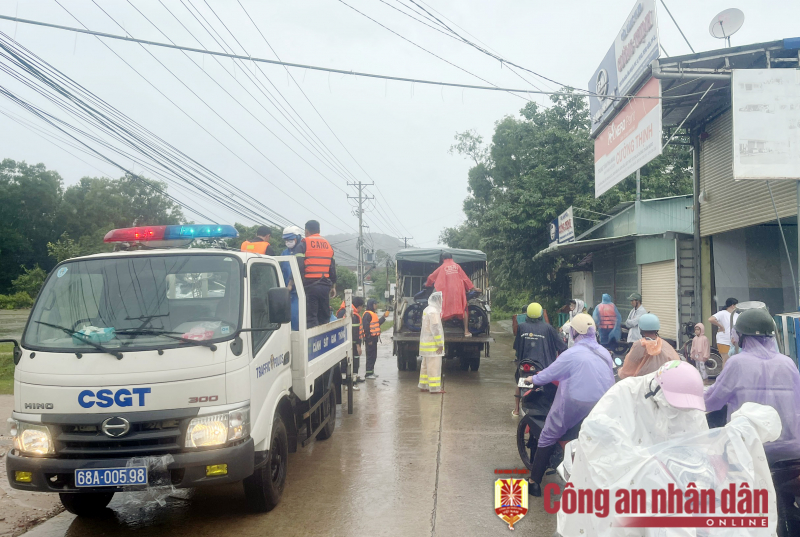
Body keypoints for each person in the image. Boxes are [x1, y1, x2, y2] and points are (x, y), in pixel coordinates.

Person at [557, 362, 784, 536]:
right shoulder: (625, 393)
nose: (679, 411)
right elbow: (596, 434)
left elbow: (697, 446)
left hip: (665, 486)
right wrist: (637, 463)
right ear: (656, 389)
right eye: (675, 405)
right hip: (624, 482)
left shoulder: (689, 409)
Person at [522, 313, 614, 497]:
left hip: (576, 402)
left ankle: (534, 482)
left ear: (573, 332)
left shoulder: (571, 354)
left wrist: (532, 378)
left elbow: (548, 375)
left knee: (548, 434)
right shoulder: (604, 352)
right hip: (604, 402)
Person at [704, 308, 800, 462]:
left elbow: (711, 401)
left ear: (741, 336)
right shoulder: (788, 363)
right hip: (791, 451)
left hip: (749, 451)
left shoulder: (736, 363)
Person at [513, 302, 566, 417]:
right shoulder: (548, 328)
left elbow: (516, 346)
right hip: (543, 364)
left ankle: (516, 410)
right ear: (541, 314)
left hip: (524, 363)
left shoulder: (521, 327)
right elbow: (561, 346)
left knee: (520, 381)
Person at [424, 252, 482, 337]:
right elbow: (465, 278)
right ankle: (466, 331)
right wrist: (474, 288)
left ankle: (440, 332)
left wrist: (427, 284)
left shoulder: (442, 267)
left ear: (443, 259)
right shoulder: (457, 266)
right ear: (452, 258)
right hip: (458, 292)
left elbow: (431, 277)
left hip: (447, 293)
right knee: (464, 309)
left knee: (442, 309)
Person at [295, 220, 337, 328]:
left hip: (310, 285)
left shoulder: (304, 243)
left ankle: (312, 343)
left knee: (311, 316)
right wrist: (333, 286)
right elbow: (332, 268)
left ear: (306, 231)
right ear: (319, 230)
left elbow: (298, 266)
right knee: (324, 316)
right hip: (325, 286)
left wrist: (297, 284)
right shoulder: (328, 245)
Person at [617, 313, 680, 379]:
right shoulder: (665, 344)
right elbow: (676, 363)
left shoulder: (639, 345)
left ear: (641, 329)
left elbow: (627, 370)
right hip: (664, 382)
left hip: (643, 385)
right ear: (657, 328)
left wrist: (619, 371)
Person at [418, 291, 445, 394]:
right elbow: (435, 328)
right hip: (433, 345)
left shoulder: (427, 309)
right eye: (441, 299)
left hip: (425, 343)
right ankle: (434, 388)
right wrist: (440, 344)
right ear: (437, 300)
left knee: (425, 366)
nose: (442, 301)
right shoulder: (434, 311)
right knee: (434, 366)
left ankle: (423, 385)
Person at [337, 297, 365, 390]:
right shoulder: (354, 315)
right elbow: (355, 332)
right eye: (361, 307)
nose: (361, 310)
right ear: (359, 306)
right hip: (352, 344)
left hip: (342, 342)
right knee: (354, 362)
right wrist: (358, 346)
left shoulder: (341, 312)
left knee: (344, 362)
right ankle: (352, 383)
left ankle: (344, 383)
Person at [279, 226, 304, 331]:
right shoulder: (284, 253)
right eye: (286, 239)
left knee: (298, 319)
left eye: (290, 239)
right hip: (287, 294)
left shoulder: (303, 252)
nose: (288, 242)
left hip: (300, 293)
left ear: (297, 238)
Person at [362, 298, 389, 379]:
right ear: (371, 304)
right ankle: (368, 373)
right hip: (370, 339)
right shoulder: (367, 314)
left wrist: (384, 317)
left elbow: (377, 324)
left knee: (374, 356)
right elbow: (366, 328)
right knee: (370, 356)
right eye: (375, 304)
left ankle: (371, 372)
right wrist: (369, 339)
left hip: (374, 338)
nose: (376, 305)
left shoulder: (373, 313)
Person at [709, 297, 739, 366]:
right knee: (726, 360)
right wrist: (721, 326)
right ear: (732, 305)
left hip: (734, 341)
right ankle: (725, 376)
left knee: (734, 361)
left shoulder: (737, 315)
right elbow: (711, 319)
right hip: (723, 340)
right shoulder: (722, 313)